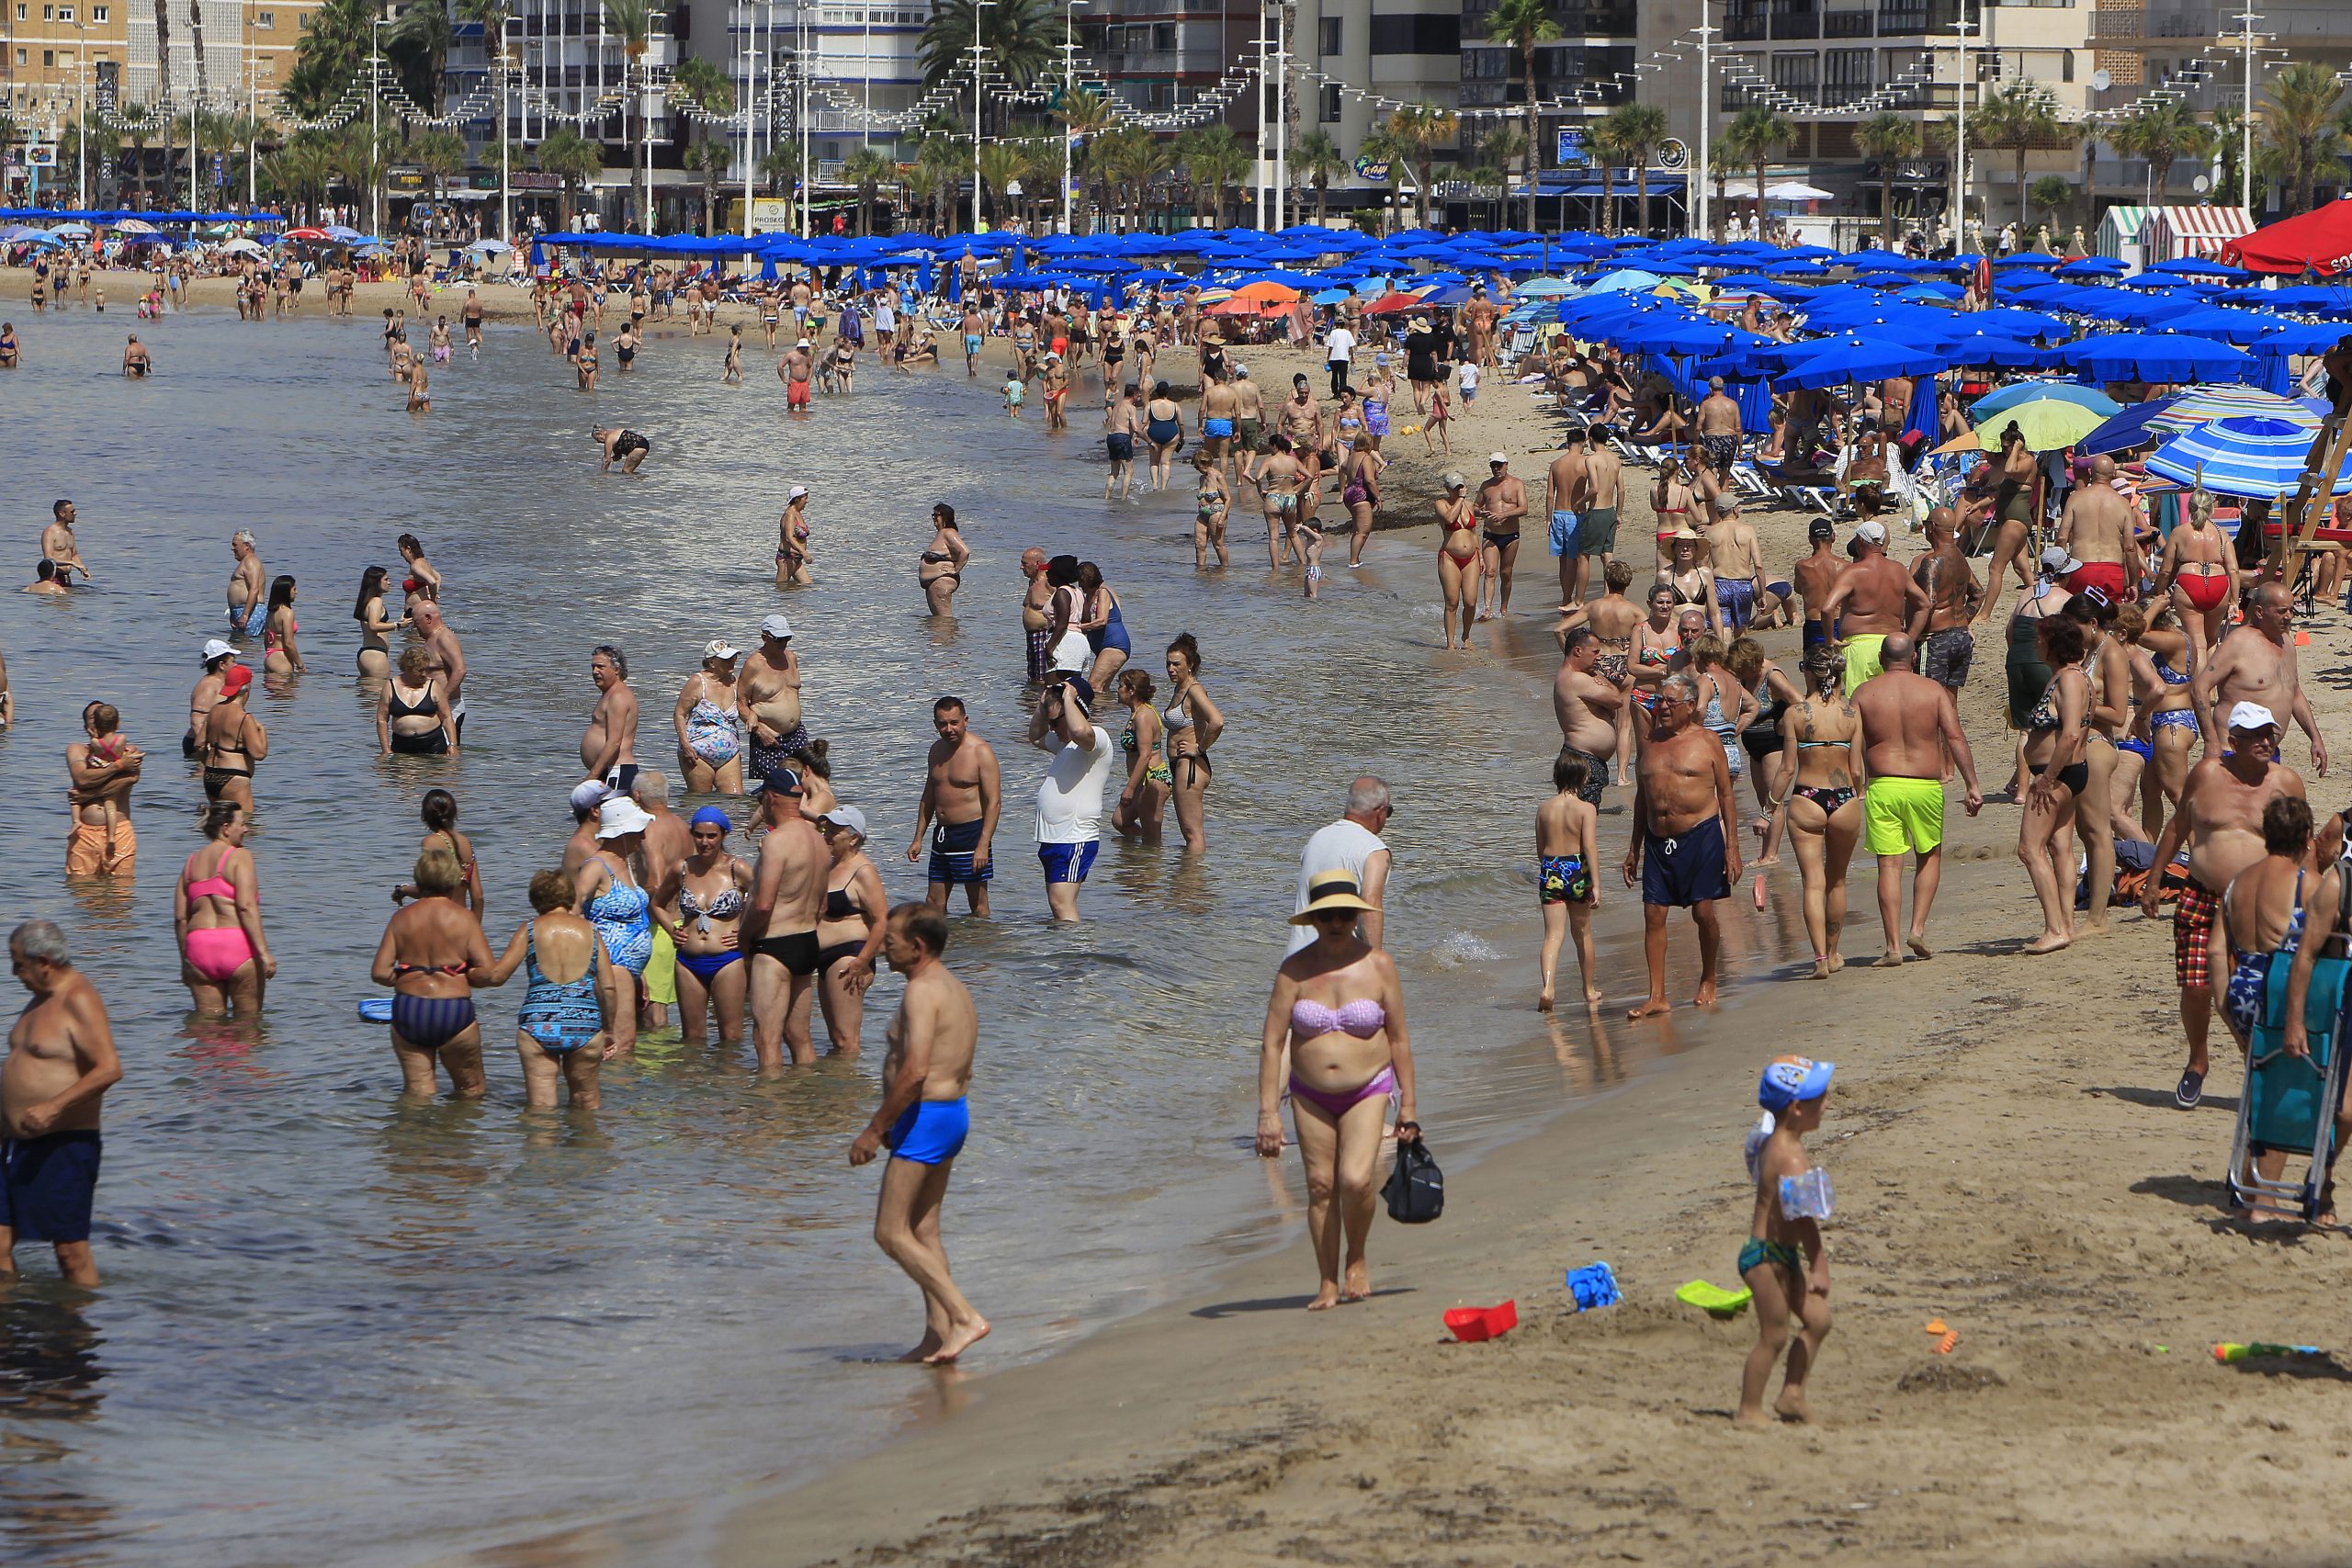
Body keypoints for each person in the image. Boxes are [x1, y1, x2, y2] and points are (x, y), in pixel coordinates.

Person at [1256, 869, 1420, 1310]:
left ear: (1356, 916)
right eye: (1327, 914)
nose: (1336, 922)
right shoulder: (1294, 972)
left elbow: (1400, 1039)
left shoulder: (1379, 967)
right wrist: (1268, 1113)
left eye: (1345, 914)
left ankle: (1358, 1258)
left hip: (1369, 1088)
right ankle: (1327, 1280)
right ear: (1313, 918)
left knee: (1354, 1179)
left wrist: (1408, 1106)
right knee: (1321, 1184)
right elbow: (1273, 1042)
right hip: (1310, 1094)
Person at [2143, 702, 2306, 1110]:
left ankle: (2255, 1067)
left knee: (2254, 990)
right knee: (2197, 987)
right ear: (2234, 741)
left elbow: (2301, 846)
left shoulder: (2285, 782)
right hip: (2202, 892)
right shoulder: (2208, 775)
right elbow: (2179, 825)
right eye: (2255, 736)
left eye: (2270, 734)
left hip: (2258, 899)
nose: (2266, 742)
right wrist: (2154, 878)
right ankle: (2198, 1061)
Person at [848, 903, 989, 1363]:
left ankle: (965, 1317)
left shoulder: (922, 991)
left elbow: (914, 1071)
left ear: (918, 946)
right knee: (923, 1229)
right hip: (947, 1116)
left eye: (890, 943)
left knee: (890, 1233)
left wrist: (875, 1128)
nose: (884, 950)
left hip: (927, 1116)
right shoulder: (952, 986)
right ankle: (938, 1335)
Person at [1, 920, 123, 1287]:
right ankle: (12, 1332)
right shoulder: (39, 1001)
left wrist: (53, 1107)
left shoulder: (78, 998)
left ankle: (75, 1336)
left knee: (70, 1252)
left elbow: (109, 1068)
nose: (13, 972)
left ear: (43, 962)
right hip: (13, 1144)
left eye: (18, 963)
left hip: (63, 1143)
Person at [1849, 633, 1983, 964]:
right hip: (1925, 786)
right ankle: (1918, 929)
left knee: (1889, 866)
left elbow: (1850, 744)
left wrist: (1856, 786)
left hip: (1883, 786)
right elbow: (1954, 736)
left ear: (1881, 659)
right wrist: (1972, 784)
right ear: (1913, 659)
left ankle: (1893, 947)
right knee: (1929, 856)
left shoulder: (1864, 693)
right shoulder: (1933, 691)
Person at [1623, 673, 1739, 1018]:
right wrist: (1634, 849)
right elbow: (1643, 799)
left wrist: (1732, 846)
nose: (1662, 708)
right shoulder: (1650, 741)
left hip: (1701, 835)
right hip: (1659, 841)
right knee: (1653, 914)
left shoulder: (1707, 741)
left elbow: (1726, 794)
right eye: (1659, 701)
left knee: (1704, 913)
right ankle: (1657, 995)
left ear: (1690, 706)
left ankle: (1708, 977)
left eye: (1670, 702)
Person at [1737, 1056, 1835, 1427]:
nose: (1827, 1103)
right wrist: (1819, 1264)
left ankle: (1792, 1394)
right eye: (1820, 1097)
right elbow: (1803, 1217)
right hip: (1765, 1259)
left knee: (1818, 1320)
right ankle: (1748, 1410)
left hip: (1781, 1255)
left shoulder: (1772, 1141)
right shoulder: (1790, 1157)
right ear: (1796, 1108)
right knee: (1774, 1335)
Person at [481, 870, 616, 1111]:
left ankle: (541, 1147)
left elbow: (498, 976)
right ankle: (589, 1147)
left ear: (536, 899)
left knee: (541, 1111)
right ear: (569, 896)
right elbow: (607, 987)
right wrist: (609, 1029)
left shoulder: (530, 930)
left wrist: (467, 974)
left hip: (538, 1023)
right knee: (586, 1104)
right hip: (584, 1024)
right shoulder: (592, 933)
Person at [370, 848, 493, 1098]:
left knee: (419, 1095)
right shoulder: (464, 918)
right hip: (453, 1009)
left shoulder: (401, 918)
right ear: (451, 879)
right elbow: (488, 972)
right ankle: (452, 1135)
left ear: (419, 879)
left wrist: (406, 978)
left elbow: (380, 973)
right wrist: (463, 976)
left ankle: (418, 1136)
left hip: (410, 1009)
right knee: (471, 1091)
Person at [2016, 615, 2096, 956]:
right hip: (2067, 774)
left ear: (2054, 643)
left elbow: (2071, 733)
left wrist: (2046, 778)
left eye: (2040, 638)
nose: (2036, 644)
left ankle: (2054, 928)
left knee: (2029, 849)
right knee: (2060, 847)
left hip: (2059, 775)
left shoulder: (2070, 680)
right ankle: (2065, 923)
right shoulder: (2066, 677)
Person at [742, 768, 828, 1068]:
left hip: (774, 946)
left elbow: (763, 905)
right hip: (806, 941)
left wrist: (743, 938)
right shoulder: (819, 841)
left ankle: (771, 1111)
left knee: (765, 1039)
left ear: (770, 799)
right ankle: (806, 1107)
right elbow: (822, 906)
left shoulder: (777, 842)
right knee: (800, 1037)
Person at [2218, 795, 2316, 1056]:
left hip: (2242, 993)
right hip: (2285, 991)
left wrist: (2225, 1009)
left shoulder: (2236, 884)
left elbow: (2216, 952)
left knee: (2261, 1069)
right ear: (2307, 836)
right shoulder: (2306, 883)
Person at [2196, 581, 2326, 778]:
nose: (2289, 616)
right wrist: (2210, 741)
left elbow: (2295, 693)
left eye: (2291, 610)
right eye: (2282, 611)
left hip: (2268, 752)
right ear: (2259, 612)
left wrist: (2315, 738)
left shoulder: (2287, 643)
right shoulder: (2239, 642)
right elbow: (2200, 687)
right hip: (2233, 753)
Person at [656, 807, 753, 1050]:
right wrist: (672, 929)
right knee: (692, 1038)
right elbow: (657, 903)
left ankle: (728, 1086)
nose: (704, 842)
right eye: (698, 835)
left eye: (711, 836)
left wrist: (745, 933)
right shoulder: (682, 869)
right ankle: (695, 1087)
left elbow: (765, 903)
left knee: (731, 1037)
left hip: (728, 960)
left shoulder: (737, 869)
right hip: (687, 962)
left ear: (724, 836)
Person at [1029, 674, 1115, 922]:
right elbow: (1034, 736)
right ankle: (1066, 954)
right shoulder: (1063, 743)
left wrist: (1069, 698)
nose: (1052, 727)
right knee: (1058, 905)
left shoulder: (1096, 739)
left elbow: (1079, 729)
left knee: (1062, 904)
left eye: (1055, 721)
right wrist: (1041, 706)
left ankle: (1077, 956)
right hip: (1055, 838)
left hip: (1074, 836)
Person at [175, 801, 274, 1016]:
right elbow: (246, 907)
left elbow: (181, 918)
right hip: (235, 945)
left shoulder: (191, 862)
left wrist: (186, 960)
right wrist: (265, 954)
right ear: (226, 828)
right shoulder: (240, 856)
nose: (246, 829)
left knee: (207, 1030)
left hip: (198, 949)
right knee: (248, 1025)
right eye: (242, 823)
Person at [575, 797, 655, 1055]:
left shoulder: (626, 863)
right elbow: (573, 910)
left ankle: (620, 1092)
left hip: (627, 969)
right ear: (623, 831)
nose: (643, 837)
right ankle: (618, 1091)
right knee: (622, 1045)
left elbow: (635, 922)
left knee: (624, 1044)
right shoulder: (595, 867)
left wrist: (639, 971)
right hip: (611, 965)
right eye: (639, 830)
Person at [910, 695, 1001, 917]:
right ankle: (943, 949)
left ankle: (983, 948)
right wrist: (918, 838)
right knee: (933, 903)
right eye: (942, 724)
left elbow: (994, 803)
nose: (949, 729)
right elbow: (929, 797)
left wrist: (983, 845)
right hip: (941, 835)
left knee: (977, 905)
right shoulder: (935, 751)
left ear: (965, 720)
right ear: (935, 724)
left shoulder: (981, 751)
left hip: (970, 834)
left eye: (954, 722)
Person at [1820, 521, 1928, 690]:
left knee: (1861, 704)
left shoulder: (1853, 572)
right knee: (1891, 701)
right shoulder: (1899, 570)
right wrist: (1909, 638)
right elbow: (1924, 604)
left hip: (1859, 647)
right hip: (1892, 646)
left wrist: (1830, 639)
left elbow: (1827, 608)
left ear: (1860, 542)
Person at [814, 806, 888, 1055]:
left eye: (834, 831)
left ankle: (852, 1091)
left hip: (849, 958)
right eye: (826, 829)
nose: (826, 835)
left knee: (847, 1040)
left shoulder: (863, 871)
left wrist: (862, 961)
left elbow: (881, 921)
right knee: (836, 1038)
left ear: (853, 837)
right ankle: (839, 1090)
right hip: (824, 960)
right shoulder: (829, 866)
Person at [1291, 778, 1395, 954]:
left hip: (1296, 959)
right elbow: (1370, 907)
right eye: (1389, 811)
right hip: (1337, 962)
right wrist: (1376, 963)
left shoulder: (1317, 839)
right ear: (1380, 812)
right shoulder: (1375, 850)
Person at [1537, 750, 1602, 1010]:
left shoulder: (1543, 809)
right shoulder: (1586, 809)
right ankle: (1588, 989)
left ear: (1556, 776)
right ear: (1584, 778)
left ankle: (1548, 987)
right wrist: (1595, 883)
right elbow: (1590, 847)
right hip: (1577, 869)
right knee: (1583, 933)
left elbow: (1540, 850)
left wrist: (1551, 870)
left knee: (1552, 936)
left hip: (1551, 869)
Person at [2156, 487, 2238, 662]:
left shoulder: (2179, 532)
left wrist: (2159, 593)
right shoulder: (2221, 534)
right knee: (2211, 642)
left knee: (2197, 643)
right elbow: (2233, 570)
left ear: (2191, 507)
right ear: (2212, 509)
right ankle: (2211, 688)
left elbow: (2165, 570)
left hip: (2189, 582)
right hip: (2218, 584)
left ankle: (2199, 688)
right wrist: (2234, 601)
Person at [66, 702, 141, 879]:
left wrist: (88, 795)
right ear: (87, 726)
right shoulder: (77, 750)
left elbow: (131, 779)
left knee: (121, 895)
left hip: (119, 831)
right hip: (84, 833)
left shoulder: (129, 750)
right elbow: (82, 779)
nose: (99, 721)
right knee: (82, 893)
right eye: (94, 717)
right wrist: (118, 766)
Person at [1911, 508, 1981, 694]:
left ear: (1931, 527)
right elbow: (1978, 594)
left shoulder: (1932, 561)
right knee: (1949, 704)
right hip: (1960, 637)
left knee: (1929, 702)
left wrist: (1909, 640)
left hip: (1935, 639)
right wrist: (1961, 619)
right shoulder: (1960, 558)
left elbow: (1928, 603)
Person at [673, 638, 745, 795]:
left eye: (733, 657)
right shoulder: (698, 682)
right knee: (700, 801)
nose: (732, 661)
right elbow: (679, 713)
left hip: (730, 755)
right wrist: (685, 745)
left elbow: (746, 710)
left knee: (735, 802)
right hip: (697, 754)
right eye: (726, 659)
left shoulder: (736, 683)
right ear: (712, 662)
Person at [1111, 669, 1172, 840]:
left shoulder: (1143, 716)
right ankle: (1135, 863)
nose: (1117, 690)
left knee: (1152, 840)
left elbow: (1145, 755)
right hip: (1142, 781)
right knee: (1120, 821)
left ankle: (1151, 865)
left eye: (1121, 686)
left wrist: (1129, 789)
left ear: (1132, 690)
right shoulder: (1137, 713)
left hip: (1153, 780)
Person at [201, 664, 266, 811]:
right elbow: (259, 754)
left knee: (218, 824)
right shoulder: (245, 718)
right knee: (246, 823)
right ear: (247, 687)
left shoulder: (214, 710)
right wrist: (262, 730)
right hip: (234, 777)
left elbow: (199, 745)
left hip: (210, 774)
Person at [582, 643, 640, 794]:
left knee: (616, 817)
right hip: (607, 771)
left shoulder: (618, 696)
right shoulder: (609, 694)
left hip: (618, 771)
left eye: (600, 667)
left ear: (616, 669)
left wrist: (592, 776)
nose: (595, 671)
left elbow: (614, 742)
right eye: (593, 667)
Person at [1476, 453, 1527, 621]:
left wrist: (1505, 515)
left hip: (1511, 536)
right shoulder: (1486, 486)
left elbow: (1523, 508)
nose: (1496, 469)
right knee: (1490, 572)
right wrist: (1480, 513)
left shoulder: (1517, 484)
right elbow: (1476, 506)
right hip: (1491, 535)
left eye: (1499, 465)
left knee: (1506, 573)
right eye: (1493, 466)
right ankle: (1487, 609)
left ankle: (1504, 607)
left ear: (1506, 464)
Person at [353, 565, 404, 679]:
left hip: (366, 653)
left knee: (367, 694)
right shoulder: (376, 601)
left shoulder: (366, 601)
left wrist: (400, 621)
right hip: (375, 655)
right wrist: (398, 625)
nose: (389, 583)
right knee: (379, 693)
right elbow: (374, 625)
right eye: (386, 579)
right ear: (376, 582)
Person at [921, 503, 970, 615]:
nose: (934, 518)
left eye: (936, 515)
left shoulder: (948, 532)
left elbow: (965, 551)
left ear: (945, 516)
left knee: (944, 622)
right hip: (933, 583)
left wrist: (956, 570)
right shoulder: (940, 534)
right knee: (937, 622)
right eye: (932, 515)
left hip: (941, 582)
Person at [226, 529, 266, 639]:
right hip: (243, 610)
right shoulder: (246, 562)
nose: (232, 548)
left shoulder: (251, 561)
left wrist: (245, 615)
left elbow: (254, 589)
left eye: (235, 545)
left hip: (251, 611)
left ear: (247, 546)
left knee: (247, 649)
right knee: (242, 646)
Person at [261, 575, 305, 676]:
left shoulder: (271, 612)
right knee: (287, 691)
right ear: (286, 591)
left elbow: (266, 641)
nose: (296, 592)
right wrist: (300, 664)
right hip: (282, 660)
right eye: (294, 589)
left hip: (270, 657)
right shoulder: (287, 613)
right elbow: (289, 643)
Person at [40, 499, 91, 584]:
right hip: (54, 577)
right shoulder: (49, 532)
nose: (75, 513)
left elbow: (74, 555)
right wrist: (71, 563)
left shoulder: (70, 532)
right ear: (62, 514)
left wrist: (83, 569)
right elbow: (48, 558)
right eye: (72, 512)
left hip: (66, 577)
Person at [776, 484, 813, 587]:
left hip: (796, 559)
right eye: (805, 498)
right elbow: (789, 537)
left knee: (807, 586)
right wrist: (804, 553)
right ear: (797, 499)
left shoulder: (798, 513)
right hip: (787, 558)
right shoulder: (790, 514)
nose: (806, 501)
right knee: (781, 588)